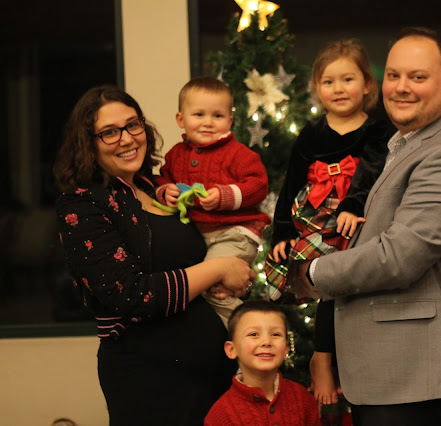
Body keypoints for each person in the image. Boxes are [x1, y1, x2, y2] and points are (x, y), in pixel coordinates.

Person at [287, 27, 441, 426]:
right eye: (394, 75)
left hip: (411, 376)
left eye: (418, 77)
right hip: (387, 373)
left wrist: (311, 272)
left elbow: (399, 257)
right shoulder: (409, 142)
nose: (401, 87)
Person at [53, 85, 256, 426]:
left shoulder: (156, 187)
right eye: (109, 132)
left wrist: (232, 276)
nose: (127, 138)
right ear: (88, 143)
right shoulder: (83, 203)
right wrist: (219, 268)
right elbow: (132, 294)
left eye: (133, 125)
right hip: (151, 380)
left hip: (213, 378)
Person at [264, 39, 392, 407]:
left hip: (357, 218)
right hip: (315, 217)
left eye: (348, 79)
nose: (338, 89)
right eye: (328, 81)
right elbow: (290, 184)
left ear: (367, 84)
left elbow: (370, 172)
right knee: (318, 278)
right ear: (317, 88)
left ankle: (333, 360)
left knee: (348, 282)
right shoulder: (311, 132)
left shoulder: (377, 130)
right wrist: (283, 231)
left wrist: (352, 204)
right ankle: (322, 358)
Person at [155, 76, 271, 327]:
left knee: (213, 285)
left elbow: (258, 185)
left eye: (217, 116)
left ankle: (242, 329)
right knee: (201, 287)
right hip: (201, 235)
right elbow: (162, 178)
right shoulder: (175, 155)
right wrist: (166, 191)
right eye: (199, 114)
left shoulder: (239, 154)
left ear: (229, 121)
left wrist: (225, 196)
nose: (208, 122)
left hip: (235, 233)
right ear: (181, 119)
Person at [204, 300, 321, 426]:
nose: (266, 342)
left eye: (275, 334)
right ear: (232, 349)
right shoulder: (221, 415)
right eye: (254, 334)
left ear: (286, 349)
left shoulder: (303, 399)